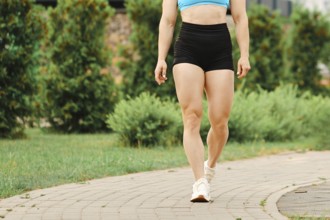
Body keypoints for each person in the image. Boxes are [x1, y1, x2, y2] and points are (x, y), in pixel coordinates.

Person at [154, 0, 251, 202]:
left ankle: (210, 167)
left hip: (220, 47)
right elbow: (168, 20)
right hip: (188, 46)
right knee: (191, 116)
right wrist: (161, 58)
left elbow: (240, 18)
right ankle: (199, 183)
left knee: (220, 121)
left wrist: (244, 55)